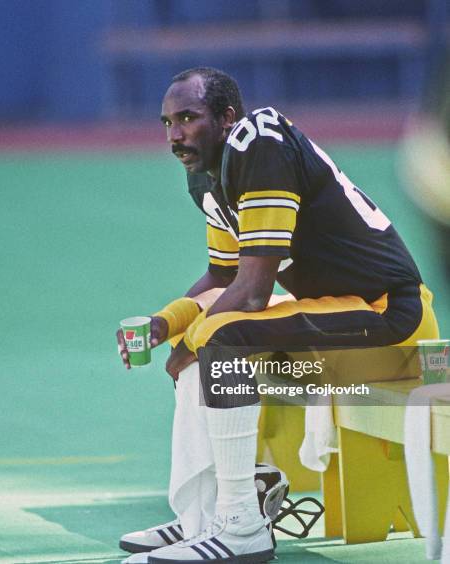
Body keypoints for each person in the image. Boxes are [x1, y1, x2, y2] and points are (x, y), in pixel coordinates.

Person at [116, 67, 440, 564]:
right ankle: (209, 517)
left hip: (389, 318)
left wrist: (192, 340)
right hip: (337, 317)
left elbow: (251, 294)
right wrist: (166, 324)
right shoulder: (207, 175)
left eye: (187, 117)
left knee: (220, 342)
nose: (175, 134)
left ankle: (243, 527)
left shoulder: (259, 145)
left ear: (227, 118)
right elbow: (225, 278)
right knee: (207, 350)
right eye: (166, 122)